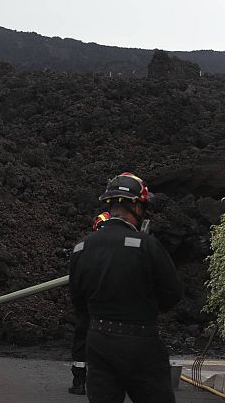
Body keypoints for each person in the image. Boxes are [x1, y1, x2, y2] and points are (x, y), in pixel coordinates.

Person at [69, 173, 182, 403]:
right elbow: (173, 293)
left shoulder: (81, 248)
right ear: (136, 206)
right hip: (140, 342)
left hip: (98, 341)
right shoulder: (146, 245)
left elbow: (77, 299)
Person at [68, 211, 110, 396]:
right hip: (111, 309)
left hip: (86, 306)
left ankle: (79, 383)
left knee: (82, 342)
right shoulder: (122, 248)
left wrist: (79, 306)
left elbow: (74, 283)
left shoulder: (82, 248)